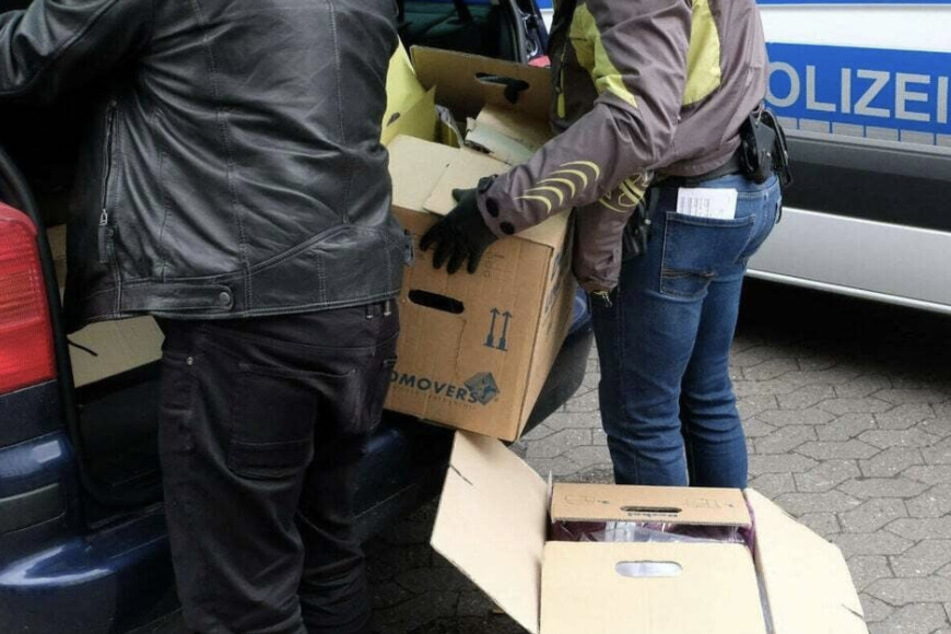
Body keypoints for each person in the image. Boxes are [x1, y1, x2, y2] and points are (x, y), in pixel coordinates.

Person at [0, 1, 406, 632]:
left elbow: (24, 57)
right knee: (324, 553)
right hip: (362, 302)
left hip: (250, 320)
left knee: (244, 606)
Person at [423, 0, 786, 489]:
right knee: (704, 393)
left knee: (643, 418)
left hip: (675, 211)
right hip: (738, 180)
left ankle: (664, 562)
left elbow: (634, 124)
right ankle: (722, 556)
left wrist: (497, 209)